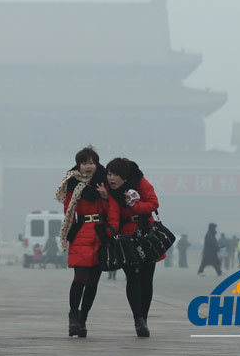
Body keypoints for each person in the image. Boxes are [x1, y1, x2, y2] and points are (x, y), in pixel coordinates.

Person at [104, 157, 161, 338]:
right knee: (133, 278)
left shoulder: (140, 181)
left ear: (125, 177)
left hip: (146, 232)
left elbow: (153, 203)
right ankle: (138, 320)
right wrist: (112, 235)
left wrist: (136, 205)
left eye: (115, 175)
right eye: (108, 174)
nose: (110, 178)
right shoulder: (111, 191)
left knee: (147, 280)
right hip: (126, 236)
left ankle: (144, 317)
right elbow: (113, 215)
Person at [54, 145, 108, 338]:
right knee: (80, 278)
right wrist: (71, 229)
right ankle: (73, 315)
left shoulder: (104, 182)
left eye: (92, 162)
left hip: (100, 235)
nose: (88, 166)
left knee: (93, 281)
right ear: (79, 164)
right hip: (82, 233)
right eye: (84, 162)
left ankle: (83, 320)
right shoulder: (73, 182)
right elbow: (68, 208)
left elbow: (110, 209)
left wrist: (105, 196)